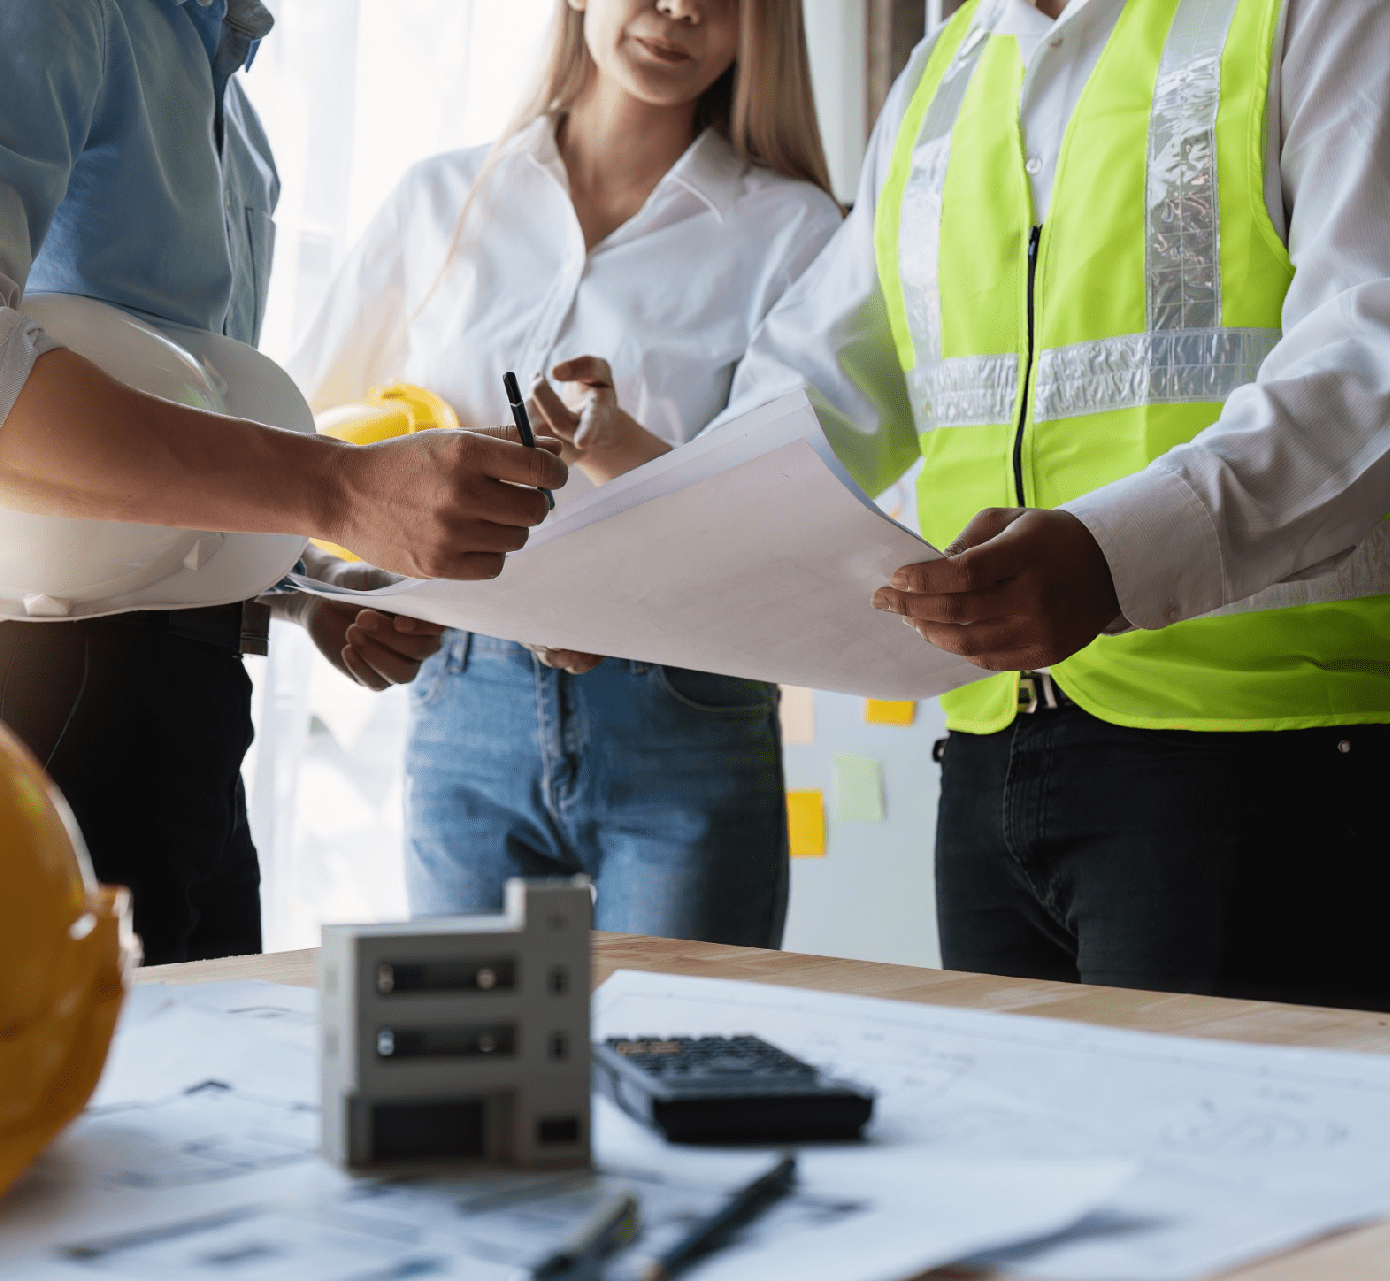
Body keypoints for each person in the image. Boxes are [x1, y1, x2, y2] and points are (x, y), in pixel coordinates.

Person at [532, 0, 1390, 1009]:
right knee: (1017, 1161)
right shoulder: (948, 64)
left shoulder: (1321, 15)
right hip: (992, 755)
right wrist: (633, 571)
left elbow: (1367, 353)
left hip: (1269, 747)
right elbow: (815, 391)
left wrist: (1117, 553)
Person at [0, 0, 567, 965]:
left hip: (194, 712)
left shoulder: (232, 102)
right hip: (25, 695)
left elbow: (172, 423)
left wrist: (299, 586)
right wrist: (335, 491)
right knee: (48, 1106)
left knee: (194, 1103)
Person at [284, 0, 843, 945]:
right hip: (463, 692)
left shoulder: (792, 230)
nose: (681, 11)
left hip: (684, 699)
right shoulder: (438, 202)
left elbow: (785, 521)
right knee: (470, 1062)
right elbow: (306, 454)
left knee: (676, 1058)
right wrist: (327, 593)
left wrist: (617, 443)